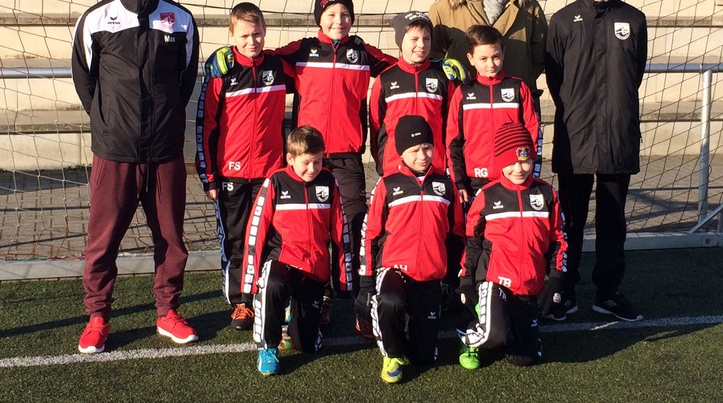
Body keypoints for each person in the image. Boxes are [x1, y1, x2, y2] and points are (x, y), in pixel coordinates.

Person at [71, 0, 200, 354]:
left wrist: (163, 121)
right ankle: (98, 316)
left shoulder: (181, 20)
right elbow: (86, 82)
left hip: (164, 151)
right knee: (103, 241)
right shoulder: (96, 19)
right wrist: (111, 122)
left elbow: (184, 81)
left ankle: (168, 311)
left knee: (171, 240)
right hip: (115, 151)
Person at [275, 0, 394, 335]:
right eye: (330, 15)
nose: (338, 21)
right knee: (311, 231)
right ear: (319, 19)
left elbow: (399, 66)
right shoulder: (301, 51)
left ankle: (360, 303)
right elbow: (262, 58)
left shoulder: (361, 52)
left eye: (344, 15)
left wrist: (436, 65)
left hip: (347, 157)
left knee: (354, 226)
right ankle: (317, 298)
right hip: (307, 159)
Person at [544, 0, 648, 323]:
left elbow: (634, 74)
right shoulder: (562, 21)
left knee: (612, 220)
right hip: (576, 136)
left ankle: (608, 293)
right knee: (570, 221)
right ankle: (565, 290)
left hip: (618, 135)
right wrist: (581, 111)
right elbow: (555, 80)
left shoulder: (634, 19)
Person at [195, 2, 294, 331]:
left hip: (270, 173)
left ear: (265, 32)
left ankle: (269, 295)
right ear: (231, 35)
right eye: (245, 35)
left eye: (258, 34)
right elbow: (206, 124)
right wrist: (209, 175)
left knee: (271, 238)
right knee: (237, 240)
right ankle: (241, 302)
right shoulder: (221, 70)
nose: (252, 41)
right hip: (230, 174)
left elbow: (308, 61)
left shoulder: (278, 66)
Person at [358, 115, 464, 384]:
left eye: (427, 148)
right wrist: (366, 283)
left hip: (429, 275)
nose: (422, 155)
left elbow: (457, 235)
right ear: (401, 152)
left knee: (423, 357)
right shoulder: (387, 184)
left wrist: (453, 278)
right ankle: (391, 355)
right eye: (414, 150)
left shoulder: (446, 186)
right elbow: (370, 235)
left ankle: (409, 323)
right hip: (394, 269)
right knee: (390, 300)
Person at [242, 126, 353, 376]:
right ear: (290, 159)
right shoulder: (275, 182)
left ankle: (293, 314)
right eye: (306, 163)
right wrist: (249, 282)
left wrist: (343, 281)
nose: (312, 169)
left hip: (313, 270)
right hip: (282, 261)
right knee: (272, 283)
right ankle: (267, 347)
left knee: (308, 345)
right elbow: (255, 233)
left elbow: (341, 232)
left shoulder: (329, 182)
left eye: (317, 161)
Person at [457, 122, 567, 370]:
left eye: (525, 161)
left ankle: (505, 326)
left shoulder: (547, 193)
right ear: (500, 161)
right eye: (511, 162)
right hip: (494, 281)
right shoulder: (487, 195)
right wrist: (466, 279)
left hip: (527, 286)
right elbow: (472, 242)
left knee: (524, 358)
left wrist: (556, 278)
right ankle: (469, 334)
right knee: (493, 334)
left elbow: (559, 240)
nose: (519, 169)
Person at [446, 25, 541, 205]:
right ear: (471, 59)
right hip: (474, 180)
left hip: (513, 175)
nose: (491, 64)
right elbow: (453, 141)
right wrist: (458, 181)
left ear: (503, 53)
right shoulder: (463, 92)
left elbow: (533, 133)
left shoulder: (518, 88)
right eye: (483, 58)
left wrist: (530, 173)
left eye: (496, 57)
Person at [369, 11, 465, 178]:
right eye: (414, 39)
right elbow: (376, 127)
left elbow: (451, 126)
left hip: (434, 167)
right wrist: (382, 163)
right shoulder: (385, 79)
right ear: (400, 41)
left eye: (426, 39)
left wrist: (448, 164)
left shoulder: (442, 78)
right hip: (394, 167)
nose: (421, 45)